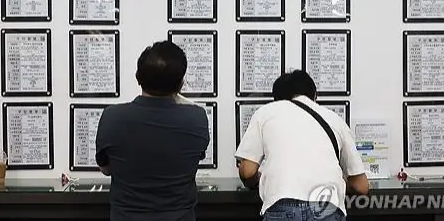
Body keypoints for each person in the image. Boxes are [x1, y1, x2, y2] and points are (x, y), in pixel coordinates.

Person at [95, 41, 210, 221]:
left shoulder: (112, 116)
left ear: (138, 77)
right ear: (181, 83)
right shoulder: (196, 118)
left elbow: (106, 169)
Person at [235, 70, 369, 221]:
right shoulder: (335, 120)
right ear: (314, 95)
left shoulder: (266, 112)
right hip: (327, 207)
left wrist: (259, 182)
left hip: (282, 204)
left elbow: (247, 171)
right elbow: (361, 186)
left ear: (277, 99)